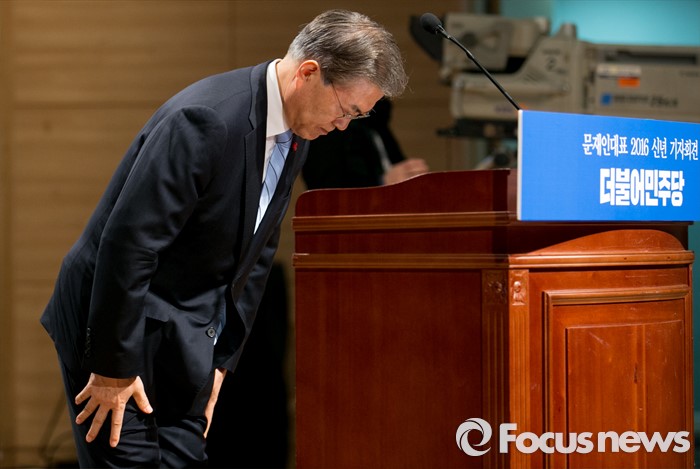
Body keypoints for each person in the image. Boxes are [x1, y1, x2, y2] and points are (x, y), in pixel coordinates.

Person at [40, 9, 407, 468]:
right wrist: (112, 368)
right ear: (309, 73)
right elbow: (130, 244)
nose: (344, 125)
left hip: (183, 327)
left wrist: (220, 363)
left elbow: (257, 253)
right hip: (117, 319)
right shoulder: (207, 120)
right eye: (347, 110)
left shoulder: (297, 130)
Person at [303, 97, 428, 189]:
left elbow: (397, 168)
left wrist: (411, 174)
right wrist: (382, 182)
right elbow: (324, 188)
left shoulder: (377, 121)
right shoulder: (333, 125)